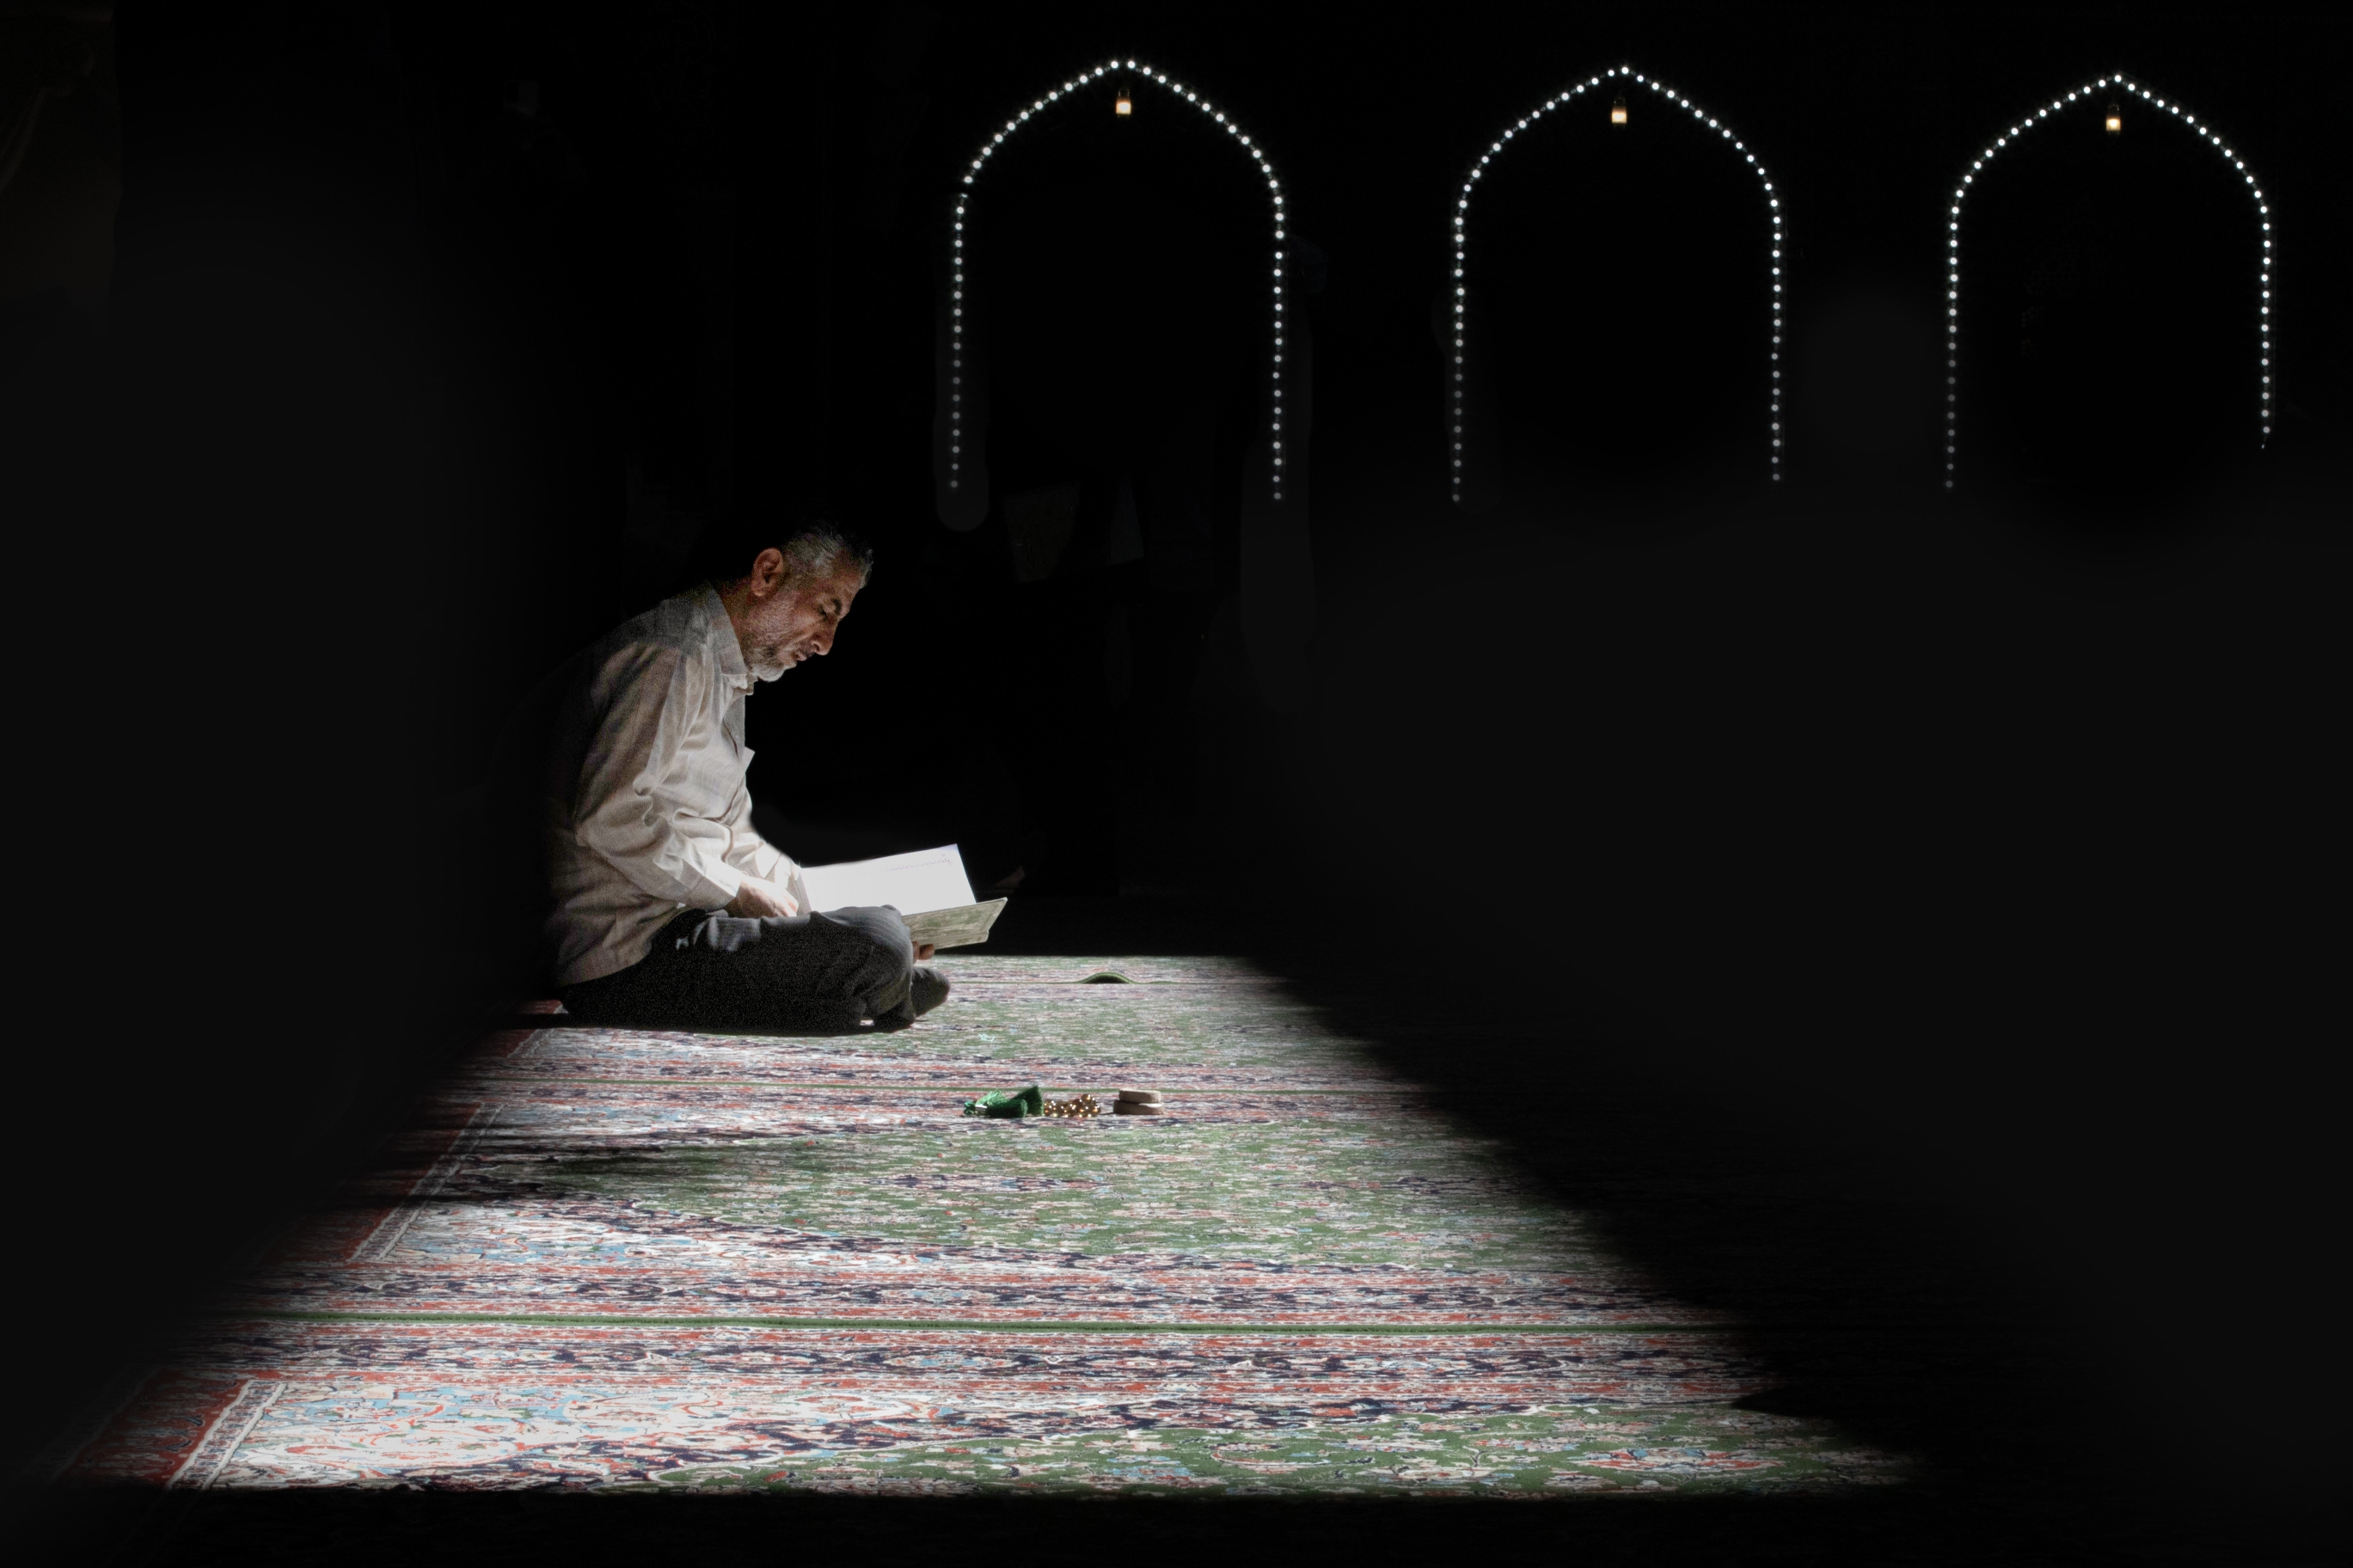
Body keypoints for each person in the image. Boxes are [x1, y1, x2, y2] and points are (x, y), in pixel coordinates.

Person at [537, 518, 947, 1032]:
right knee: (877, 943)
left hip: (688, 925)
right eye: (825, 611)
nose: (826, 643)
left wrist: (834, 907)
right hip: (628, 959)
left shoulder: (725, 670)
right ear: (767, 573)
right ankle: (863, 987)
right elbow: (610, 820)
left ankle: (860, 988)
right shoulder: (673, 656)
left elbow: (735, 837)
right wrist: (737, 891)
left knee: (880, 932)